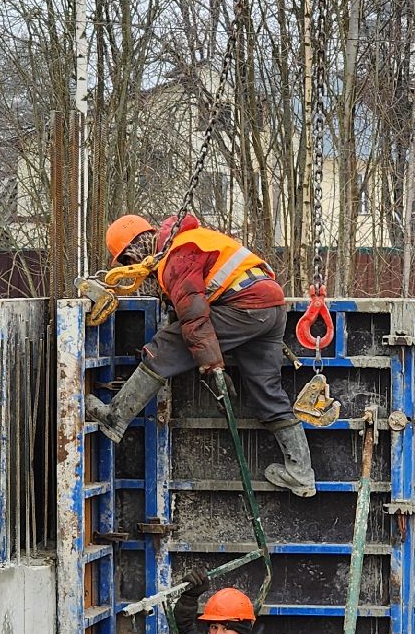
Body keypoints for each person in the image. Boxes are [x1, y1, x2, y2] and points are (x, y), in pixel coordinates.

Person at [85, 213, 316, 497]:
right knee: (266, 391)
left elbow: (194, 318)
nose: (133, 269)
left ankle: (115, 417)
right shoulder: (193, 240)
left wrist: (211, 366)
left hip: (245, 307)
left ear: (135, 250)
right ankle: (301, 473)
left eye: (127, 262)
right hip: (271, 307)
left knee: (164, 347)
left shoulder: (178, 255)